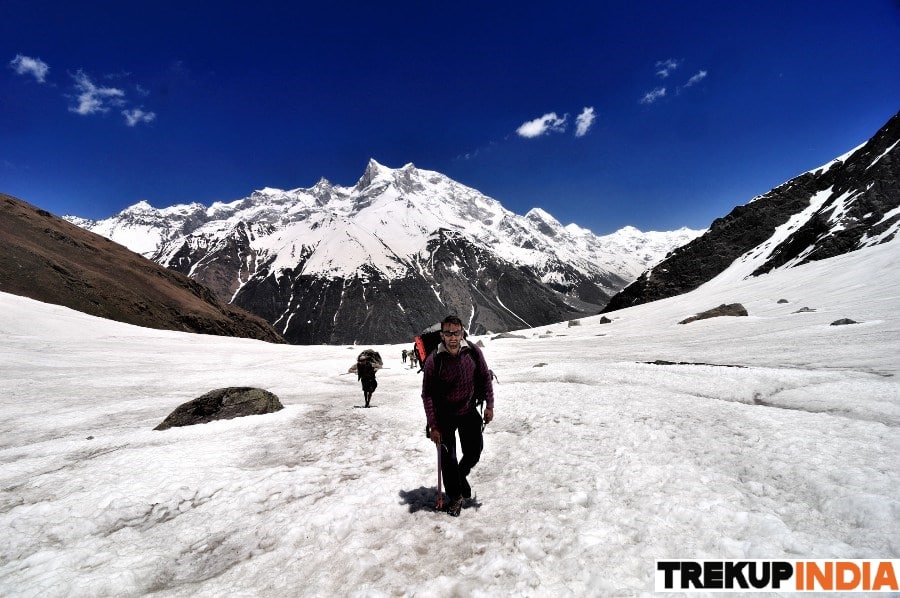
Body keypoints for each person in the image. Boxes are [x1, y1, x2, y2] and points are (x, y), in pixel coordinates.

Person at [421, 315, 494, 516]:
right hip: (444, 415)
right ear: (441, 335)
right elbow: (427, 394)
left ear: (462, 332)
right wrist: (434, 425)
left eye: (456, 332)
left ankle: (460, 476)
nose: (453, 337)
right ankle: (455, 497)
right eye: (448, 333)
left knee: (474, 451)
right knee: (448, 459)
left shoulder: (472, 352)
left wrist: (490, 405)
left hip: (468, 410)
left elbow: (484, 378)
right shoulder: (434, 360)